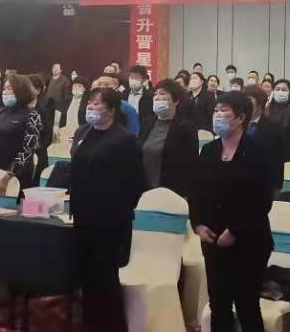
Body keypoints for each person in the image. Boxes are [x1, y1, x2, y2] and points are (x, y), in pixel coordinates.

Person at [191, 91, 275, 332]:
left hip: (249, 240)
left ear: (240, 118)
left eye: (224, 111)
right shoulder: (209, 150)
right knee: (218, 303)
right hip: (212, 238)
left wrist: (236, 231)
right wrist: (198, 224)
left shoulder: (257, 151)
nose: (217, 115)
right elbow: (196, 190)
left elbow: (261, 200)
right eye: (216, 110)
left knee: (247, 304)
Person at [69, 88, 145, 332]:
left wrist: (115, 207)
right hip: (82, 216)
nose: (91, 108)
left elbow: (136, 182)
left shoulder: (124, 139)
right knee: (86, 277)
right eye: (89, 103)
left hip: (109, 221)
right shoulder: (83, 132)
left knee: (106, 279)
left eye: (97, 104)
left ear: (111, 110)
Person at [138, 79, 199, 197]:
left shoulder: (186, 128)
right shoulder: (147, 124)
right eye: (155, 94)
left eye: (162, 93)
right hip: (144, 189)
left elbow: (191, 165)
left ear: (175, 100)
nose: (157, 97)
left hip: (171, 191)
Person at [241, 86, 287, 192]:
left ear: (260, 103)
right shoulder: (234, 125)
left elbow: (279, 160)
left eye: (249, 102)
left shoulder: (274, 128)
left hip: (264, 185)